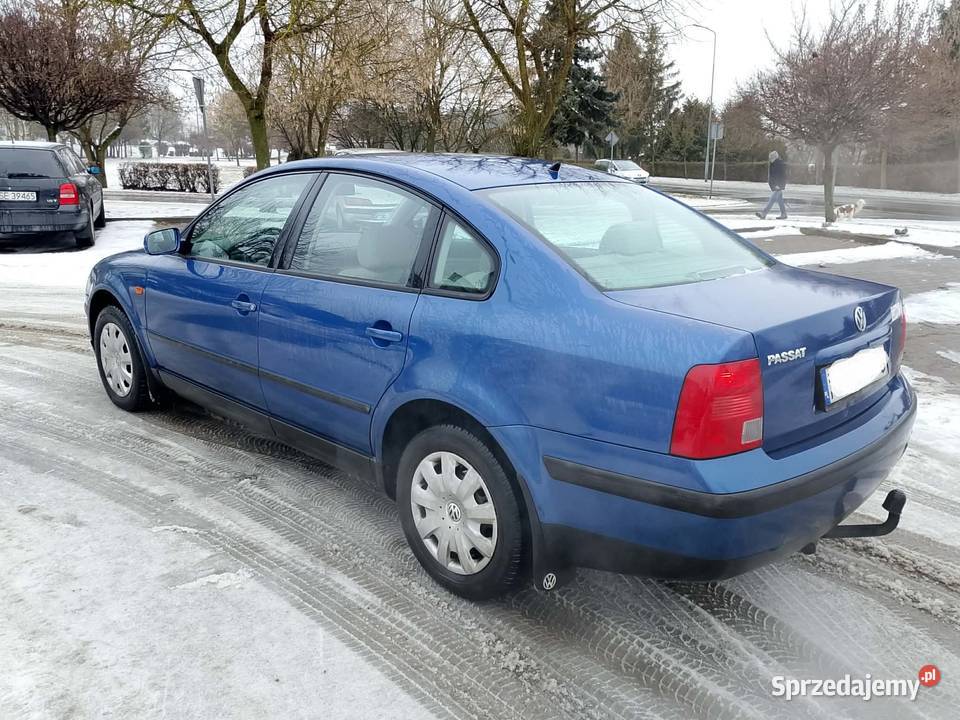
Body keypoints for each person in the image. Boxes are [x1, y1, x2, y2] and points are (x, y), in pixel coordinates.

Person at [757, 150, 787, 220]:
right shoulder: (773, 164)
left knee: (772, 200)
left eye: (771, 157)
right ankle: (784, 214)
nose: (770, 159)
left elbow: (782, 176)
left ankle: (763, 214)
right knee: (780, 201)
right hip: (775, 186)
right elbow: (772, 176)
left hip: (778, 186)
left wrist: (779, 185)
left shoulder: (779, 164)